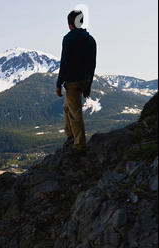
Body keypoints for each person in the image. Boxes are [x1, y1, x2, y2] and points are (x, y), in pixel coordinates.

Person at [56, 10, 97, 154]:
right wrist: (89, 84)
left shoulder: (69, 38)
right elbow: (93, 64)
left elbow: (65, 62)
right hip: (85, 80)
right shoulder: (90, 39)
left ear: (69, 24)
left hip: (73, 81)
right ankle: (71, 137)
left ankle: (79, 146)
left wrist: (58, 84)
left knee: (75, 113)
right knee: (67, 107)